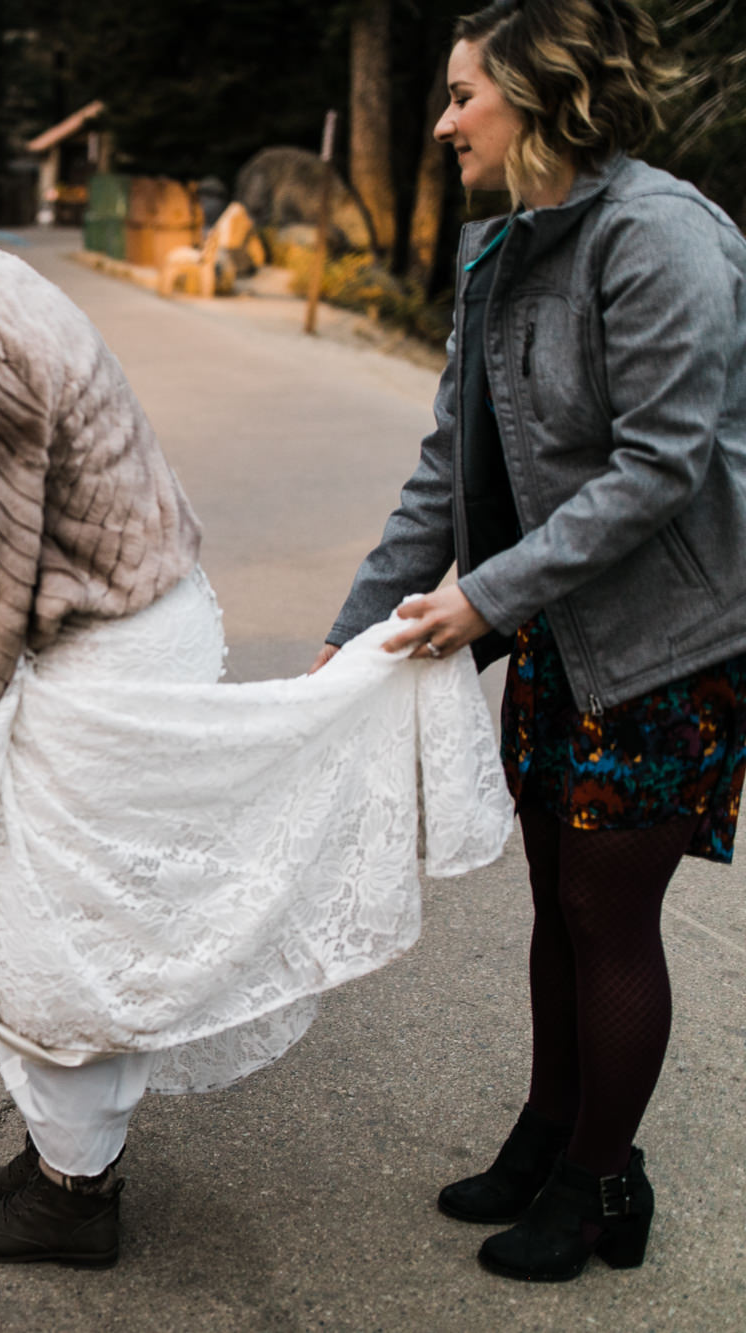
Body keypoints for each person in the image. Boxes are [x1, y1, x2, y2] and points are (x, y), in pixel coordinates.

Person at [0, 116, 512, 1270]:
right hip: (141, 609)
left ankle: (75, 1199)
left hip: (103, 640)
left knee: (55, 922)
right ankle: (63, 1149)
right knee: (76, 904)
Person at [318, 0, 746, 1282]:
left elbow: (660, 465)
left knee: (607, 910)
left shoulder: (658, 235)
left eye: (461, 97)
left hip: (676, 637)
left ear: (542, 98)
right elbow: (445, 467)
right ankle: (551, 1134)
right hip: (562, 627)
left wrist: (483, 600)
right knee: (554, 902)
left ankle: (600, 1186)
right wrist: (346, 649)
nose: (443, 122)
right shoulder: (495, 248)